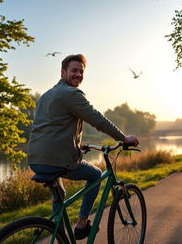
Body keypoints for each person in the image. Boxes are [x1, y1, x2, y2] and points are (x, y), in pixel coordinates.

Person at [27, 54, 139, 240]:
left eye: (81, 71)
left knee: (60, 193)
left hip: (36, 160)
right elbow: (97, 119)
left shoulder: (46, 95)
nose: (78, 74)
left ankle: (59, 234)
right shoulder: (71, 94)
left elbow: (52, 128)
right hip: (56, 161)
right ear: (63, 72)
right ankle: (81, 224)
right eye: (74, 70)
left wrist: (78, 145)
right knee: (95, 175)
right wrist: (123, 137)